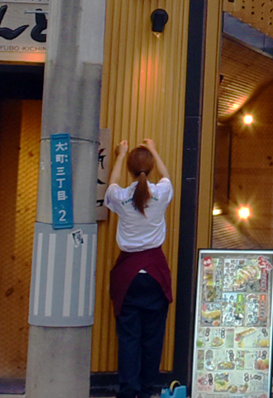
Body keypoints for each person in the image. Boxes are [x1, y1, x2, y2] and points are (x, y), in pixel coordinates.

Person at [106, 139, 174, 398]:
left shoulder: (121, 197)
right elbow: (167, 176)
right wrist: (154, 149)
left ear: (130, 171)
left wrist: (121, 155)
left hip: (128, 276)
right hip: (155, 274)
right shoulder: (160, 193)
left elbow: (111, 185)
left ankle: (128, 391)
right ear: (151, 170)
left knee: (129, 337)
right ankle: (147, 390)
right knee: (153, 337)